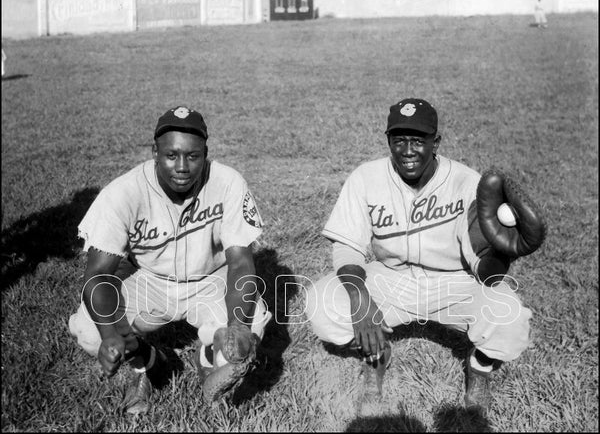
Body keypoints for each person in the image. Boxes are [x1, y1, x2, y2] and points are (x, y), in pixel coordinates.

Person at [305, 98, 532, 414]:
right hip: (391, 277)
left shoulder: (467, 183)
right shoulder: (366, 178)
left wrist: (505, 256)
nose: (408, 150)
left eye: (418, 140)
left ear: (436, 141)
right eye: (399, 140)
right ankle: (375, 357)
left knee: (510, 317)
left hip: (454, 281)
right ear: (388, 141)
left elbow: (483, 267)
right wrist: (359, 297)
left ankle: (480, 368)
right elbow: (347, 246)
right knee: (321, 304)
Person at [69, 106, 272, 414]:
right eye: (171, 155)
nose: (182, 166)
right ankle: (148, 364)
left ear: (205, 153)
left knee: (250, 326)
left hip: (210, 278)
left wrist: (237, 325)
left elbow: (241, 262)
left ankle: (207, 358)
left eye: (193, 156)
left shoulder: (227, 181)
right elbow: (98, 275)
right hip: (149, 279)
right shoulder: (124, 192)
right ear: (155, 152)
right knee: (89, 329)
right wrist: (111, 335)